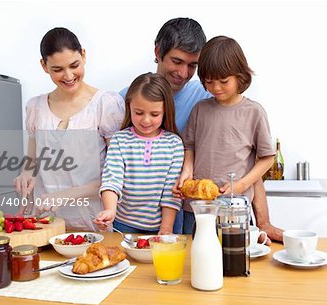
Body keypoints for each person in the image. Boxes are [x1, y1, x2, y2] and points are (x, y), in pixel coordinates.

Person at [121, 18, 283, 243]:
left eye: (192, 66)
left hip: (211, 207)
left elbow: (253, 159)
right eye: (176, 61)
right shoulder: (129, 99)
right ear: (158, 52)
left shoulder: (211, 97)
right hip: (139, 216)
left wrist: (262, 220)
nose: (183, 73)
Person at [14, 27, 125, 231]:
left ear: (84, 55)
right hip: (45, 224)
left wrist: (64, 195)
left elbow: (115, 176)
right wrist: (25, 175)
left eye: (74, 65)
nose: (68, 75)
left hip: (92, 222)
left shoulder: (105, 105)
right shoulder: (36, 107)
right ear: (44, 66)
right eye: (57, 69)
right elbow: (32, 161)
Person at [173, 35, 275, 234]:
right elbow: (190, 146)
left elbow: (267, 158)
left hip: (235, 206)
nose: (216, 88)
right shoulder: (199, 109)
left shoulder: (253, 112)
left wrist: (242, 184)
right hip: (196, 207)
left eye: (223, 81)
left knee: (234, 259)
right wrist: (187, 171)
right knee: (193, 259)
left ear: (240, 76)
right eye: (209, 82)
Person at [94, 73, 184, 234]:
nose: (146, 120)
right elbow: (111, 180)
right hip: (123, 224)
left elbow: (171, 192)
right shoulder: (120, 140)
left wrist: (166, 227)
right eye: (139, 112)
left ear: (165, 111)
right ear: (129, 107)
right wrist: (110, 211)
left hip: (164, 225)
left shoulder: (174, 143)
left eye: (154, 114)